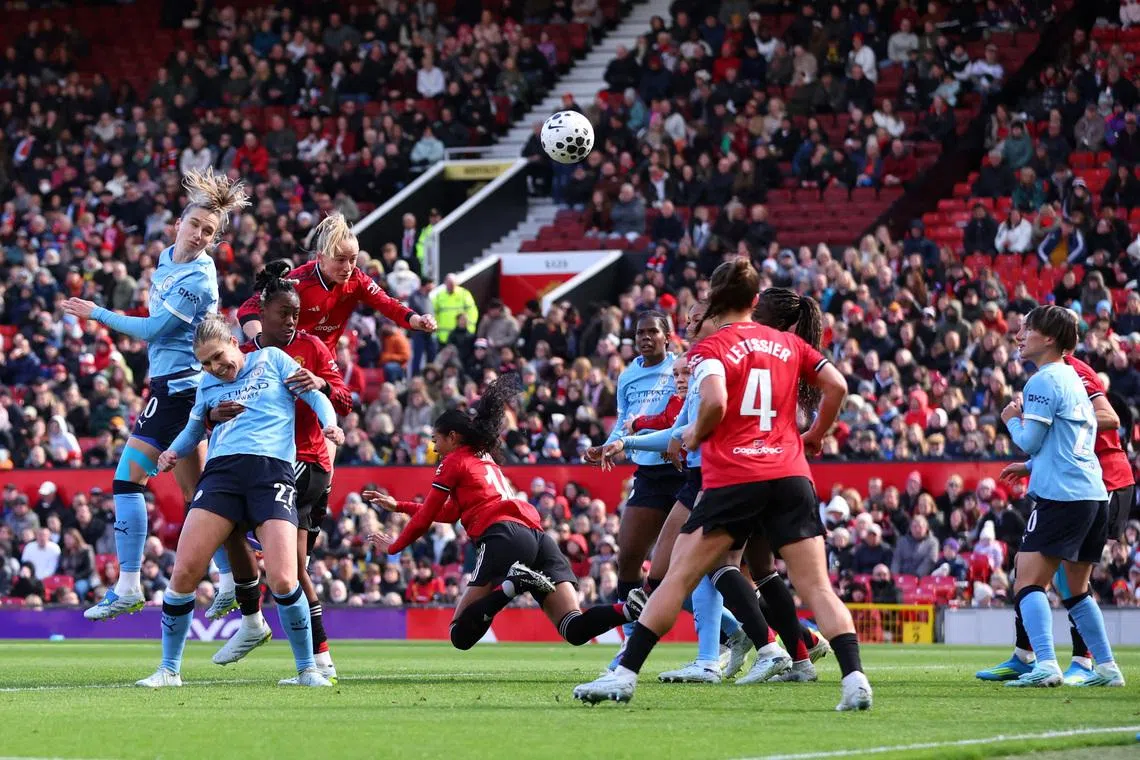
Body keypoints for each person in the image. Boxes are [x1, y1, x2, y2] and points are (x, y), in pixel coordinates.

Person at [573, 261, 872, 711]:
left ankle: (625, 674)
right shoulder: (789, 343)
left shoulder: (711, 347)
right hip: (790, 475)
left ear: (715, 297)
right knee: (817, 588)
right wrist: (814, 435)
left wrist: (693, 434)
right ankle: (854, 680)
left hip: (734, 477)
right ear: (755, 301)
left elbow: (714, 401)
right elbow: (837, 385)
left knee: (677, 577)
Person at [63, 170, 250, 621]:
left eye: (210, 231)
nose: (201, 235)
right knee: (200, 497)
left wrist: (97, 313)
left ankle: (129, 585)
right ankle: (236, 584)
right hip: (177, 387)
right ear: (178, 225)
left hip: (179, 391)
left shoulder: (198, 280)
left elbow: (152, 330)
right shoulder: (167, 258)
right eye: (196, 225)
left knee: (127, 481)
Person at [362, 374, 645, 653]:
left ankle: (513, 585)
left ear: (452, 436)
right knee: (574, 627)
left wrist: (394, 547)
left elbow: (426, 518)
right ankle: (629, 608)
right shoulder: (484, 457)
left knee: (460, 633)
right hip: (537, 538)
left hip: (501, 536)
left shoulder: (453, 461)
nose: (433, 447)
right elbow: (449, 514)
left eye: (436, 439)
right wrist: (398, 505)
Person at [136, 315, 345, 688]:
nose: (216, 368)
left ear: (235, 343)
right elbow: (193, 429)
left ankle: (307, 670)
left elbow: (315, 397)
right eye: (206, 363)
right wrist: (171, 454)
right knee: (184, 571)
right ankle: (169, 670)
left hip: (272, 475)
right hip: (222, 476)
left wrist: (331, 424)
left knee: (284, 578)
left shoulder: (274, 360)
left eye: (218, 357)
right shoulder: (207, 385)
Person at [208, 261, 353, 682]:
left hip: (305, 463)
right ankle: (318, 659)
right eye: (284, 314)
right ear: (260, 315)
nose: (292, 321)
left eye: (296, 314)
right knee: (292, 569)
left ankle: (253, 617)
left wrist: (322, 386)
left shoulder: (311, 347)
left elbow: (344, 398)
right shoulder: (245, 358)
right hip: (267, 463)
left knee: (238, 530)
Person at [978, 314, 1134, 686]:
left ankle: (1045, 664)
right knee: (1076, 590)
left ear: (1048, 338)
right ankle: (1108, 669)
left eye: (1027, 330)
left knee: (1027, 582)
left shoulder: (1043, 380)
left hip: (1062, 495)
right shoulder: (1072, 378)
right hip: (1093, 494)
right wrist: (1031, 464)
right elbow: (1070, 437)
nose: (1019, 337)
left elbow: (1031, 438)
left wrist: (1012, 419)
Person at [585, 312, 682, 670]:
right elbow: (623, 424)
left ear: (667, 337)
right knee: (627, 558)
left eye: (652, 332)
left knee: (696, 567)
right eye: (639, 333)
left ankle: (752, 637)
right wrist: (604, 447)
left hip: (684, 472)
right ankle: (629, 642)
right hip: (649, 473)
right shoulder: (627, 375)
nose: (645, 338)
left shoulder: (681, 368)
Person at [237, 212, 437, 350]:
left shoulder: (357, 279)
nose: (348, 267)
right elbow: (248, 308)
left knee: (343, 404)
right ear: (321, 257)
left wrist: (417, 321)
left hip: (324, 363)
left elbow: (388, 304)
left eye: (353, 259)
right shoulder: (298, 281)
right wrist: (262, 344)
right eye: (340, 260)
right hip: (288, 358)